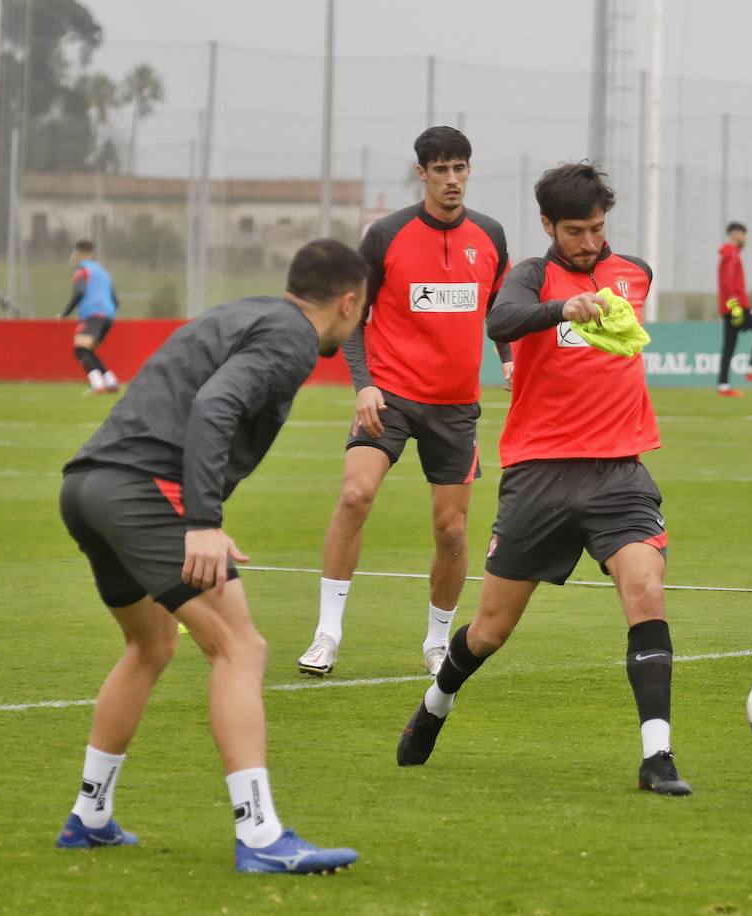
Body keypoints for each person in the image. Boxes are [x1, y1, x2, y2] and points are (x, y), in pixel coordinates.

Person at [55, 239, 368, 871]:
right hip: (143, 492)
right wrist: (202, 522)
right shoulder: (292, 338)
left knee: (151, 645)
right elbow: (215, 404)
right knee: (241, 648)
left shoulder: (248, 313)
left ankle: (89, 817)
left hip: (87, 485)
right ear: (349, 301)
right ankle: (259, 837)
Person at [393, 162, 692, 797]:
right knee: (490, 631)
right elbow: (500, 322)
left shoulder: (633, 272)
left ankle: (657, 756)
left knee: (646, 591)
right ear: (548, 226)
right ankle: (436, 704)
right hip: (539, 476)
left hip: (620, 472)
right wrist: (563, 306)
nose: (590, 242)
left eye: (598, 228)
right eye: (576, 231)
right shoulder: (530, 277)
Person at [296, 126, 510, 678]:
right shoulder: (385, 235)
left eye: (460, 168)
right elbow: (352, 317)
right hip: (387, 396)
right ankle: (326, 634)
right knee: (354, 496)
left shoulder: (490, 236)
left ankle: (438, 643)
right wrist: (364, 383)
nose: (452, 180)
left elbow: (499, 310)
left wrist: (509, 359)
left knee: (452, 531)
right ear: (422, 173)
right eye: (440, 169)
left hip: (456, 406)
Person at [716, 221, 752, 397]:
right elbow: (728, 283)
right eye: (744, 234)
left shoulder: (729, 254)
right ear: (735, 235)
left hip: (730, 308)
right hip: (737, 308)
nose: (745, 238)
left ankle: (723, 386)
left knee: (729, 346)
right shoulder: (731, 255)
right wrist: (737, 308)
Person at [61, 240, 121, 394]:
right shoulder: (103, 272)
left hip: (93, 315)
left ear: (78, 253)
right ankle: (110, 381)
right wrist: (109, 313)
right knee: (88, 350)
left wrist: (65, 313)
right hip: (108, 317)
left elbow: (79, 291)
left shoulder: (82, 270)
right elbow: (116, 299)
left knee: (80, 350)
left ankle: (97, 384)